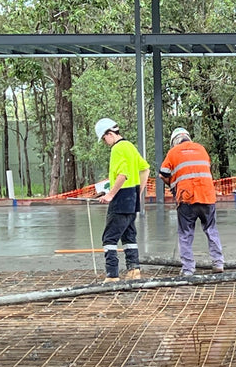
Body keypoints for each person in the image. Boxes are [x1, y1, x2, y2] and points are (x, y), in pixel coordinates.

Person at [159, 127, 224, 276]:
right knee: (211, 230)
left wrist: (172, 184)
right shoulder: (201, 149)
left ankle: (188, 269)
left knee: (185, 234)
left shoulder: (174, 152)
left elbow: (162, 174)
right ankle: (218, 263)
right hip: (207, 196)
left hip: (186, 197)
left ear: (174, 141)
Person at [95, 118, 150, 282]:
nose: (105, 142)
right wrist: (138, 192)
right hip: (132, 198)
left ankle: (112, 275)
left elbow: (123, 174)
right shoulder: (130, 146)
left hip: (120, 199)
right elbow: (145, 169)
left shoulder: (117, 149)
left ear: (110, 134)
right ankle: (134, 270)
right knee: (128, 236)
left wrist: (110, 194)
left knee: (109, 238)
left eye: (104, 138)